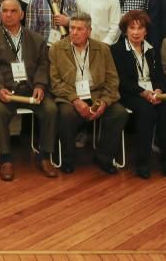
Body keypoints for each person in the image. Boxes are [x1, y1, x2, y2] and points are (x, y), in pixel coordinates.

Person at [0, 0, 59, 180]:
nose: (9, 15)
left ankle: (45, 156)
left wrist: (40, 85)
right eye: (5, 11)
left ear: (22, 14)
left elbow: (43, 64)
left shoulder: (36, 38)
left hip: (32, 89)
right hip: (6, 91)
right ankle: (6, 159)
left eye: (13, 11)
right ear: (0, 15)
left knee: (51, 109)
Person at [50, 13, 128, 174]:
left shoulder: (103, 49)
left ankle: (104, 157)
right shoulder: (57, 49)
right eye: (72, 28)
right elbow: (55, 82)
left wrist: (104, 102)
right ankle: (67, 158)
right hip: (69, 95)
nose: (74, 32)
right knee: (67, 114)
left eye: (79, 29)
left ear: (89, 31)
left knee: (119, 113)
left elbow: (112, 80)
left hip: (97, 94)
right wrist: (75, 100)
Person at [110, 10, 166, 178]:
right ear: (125, 31)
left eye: (140, 28)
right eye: (131, 28)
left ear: (146, 31)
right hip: (131, 94)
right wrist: (143, 93)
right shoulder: (117, 50)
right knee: (146, 112)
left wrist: (159, 90)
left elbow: (161, 76)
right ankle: (143, 161)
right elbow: (122, 81)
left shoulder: (152, 49)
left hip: (154, 93)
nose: (136, 32)